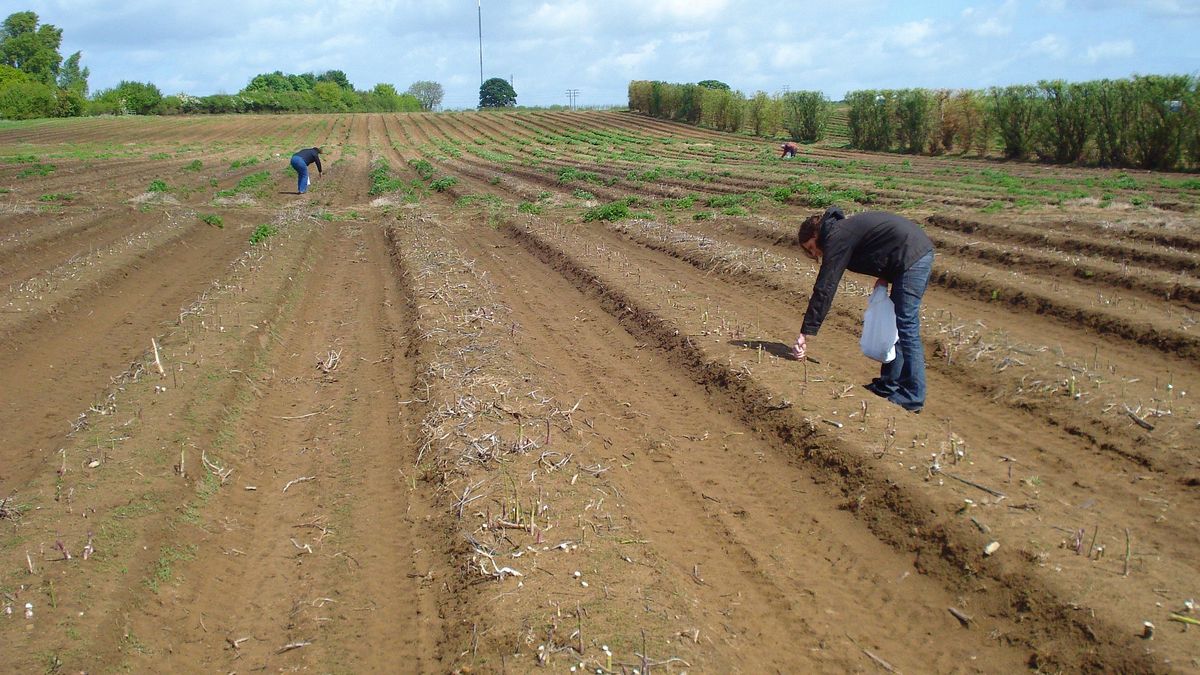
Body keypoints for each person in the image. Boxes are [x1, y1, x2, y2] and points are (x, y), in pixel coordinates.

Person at [792, 207, 934, 413]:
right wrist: (885, 275)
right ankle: (888, 385)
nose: (814, 253)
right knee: (897, 324)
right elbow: (880, 243)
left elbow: (825, 287)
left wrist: (806, 332)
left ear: (816, 234)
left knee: (906, 325)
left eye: (812, 247)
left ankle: (912, 395)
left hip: (913, 257)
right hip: (906, 255)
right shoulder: (841, 231)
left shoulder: (836, 237)